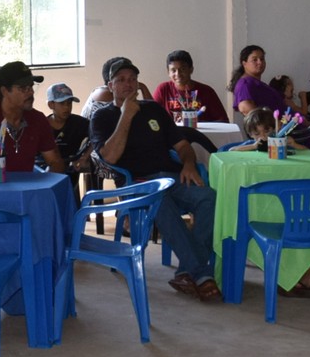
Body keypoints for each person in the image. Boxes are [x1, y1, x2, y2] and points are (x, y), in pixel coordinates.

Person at [89, 57, 221, 302]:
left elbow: (182, 145)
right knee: (162, 204)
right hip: (138, 183)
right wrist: (126, 115)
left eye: (132, 79)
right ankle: (202, 274)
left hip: (171, 176)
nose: (129, 85)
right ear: (110, 86)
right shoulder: (102, 117)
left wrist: (190, 164)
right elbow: (110, 156)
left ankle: (187, 271)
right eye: (121, 80)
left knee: (208, 198)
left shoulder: (153, 109)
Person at [0, 62, 67, 173]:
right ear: (4, 91)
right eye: (23, 88)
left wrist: (46, 185)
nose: (31, 92)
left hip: (27, 188)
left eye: (31, 86)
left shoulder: (38, 119)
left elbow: (55, 162)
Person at [152, 50, 230, 123]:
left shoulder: (206, 91)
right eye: (173, 70)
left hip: (200, 135)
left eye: (182, 69)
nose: (178, 74)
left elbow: (223, 121)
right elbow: (151, 116)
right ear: (168, 72)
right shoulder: (163, 89)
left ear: (191, 69)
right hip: (172, 136)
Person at [44, 82, 93, 174]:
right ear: (51, 105)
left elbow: (97, 136)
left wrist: (85, 157)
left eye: (69, 103)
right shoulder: (42, 126)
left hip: (71, 174)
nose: (67, 107)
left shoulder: (80, 123)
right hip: (46, 176)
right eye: (62, 103)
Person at [229, 45, 286, 118]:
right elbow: (245, 107)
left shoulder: (256, 83)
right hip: (273, 128)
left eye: (262, 59)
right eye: (254, 60)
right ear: (244, 64)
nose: (260, 62)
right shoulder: (244, 83)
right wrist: (272, 124)